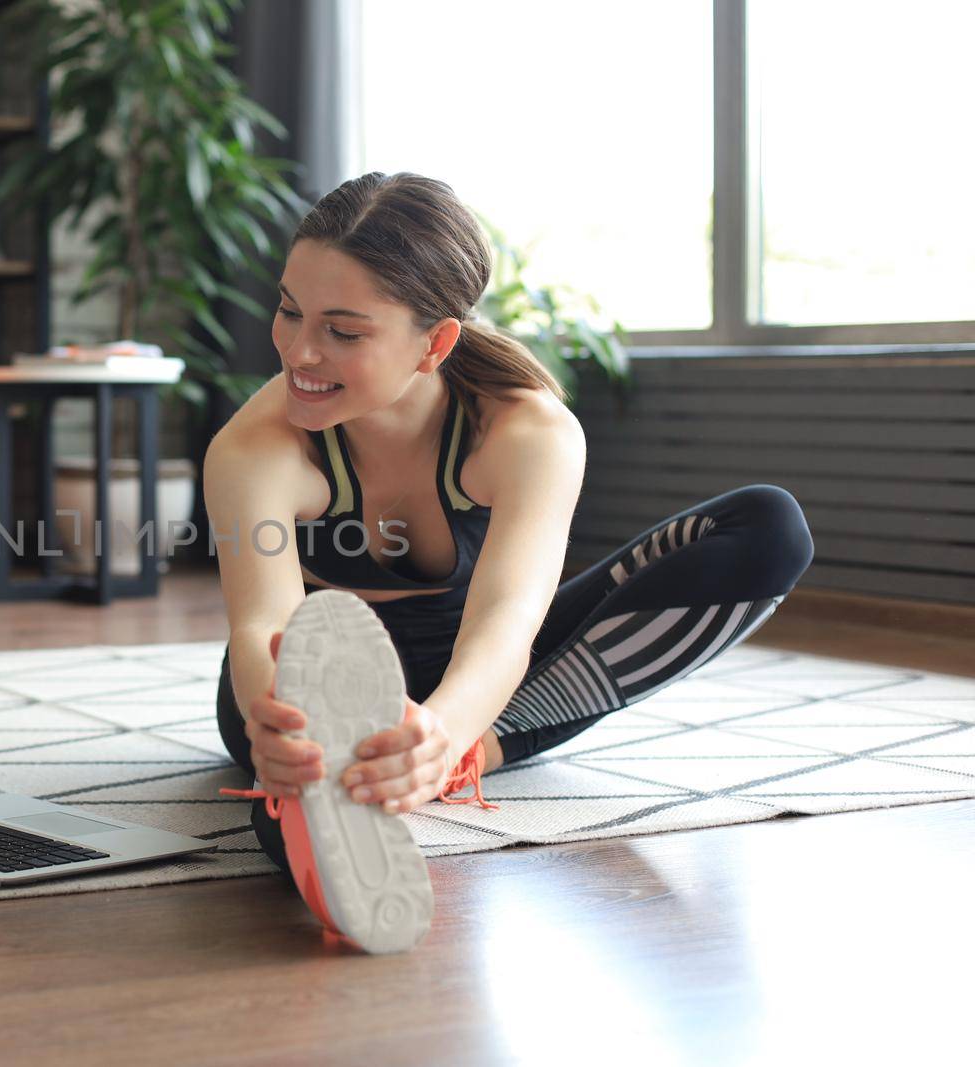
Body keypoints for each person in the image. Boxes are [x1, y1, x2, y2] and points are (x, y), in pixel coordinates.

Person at [203, 172, 815, 953]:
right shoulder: (255, 447)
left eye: (344, 331)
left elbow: (507, 623)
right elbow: (264, 623)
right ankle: (330, 784)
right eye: (290, 310)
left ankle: (469, 757)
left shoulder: (527, 431)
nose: (300, 350)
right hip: (311, 682)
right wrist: (275, 728)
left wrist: (447, 729)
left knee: (768, 528)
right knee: (293, 792)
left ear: (436, 342)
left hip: (481, 676)